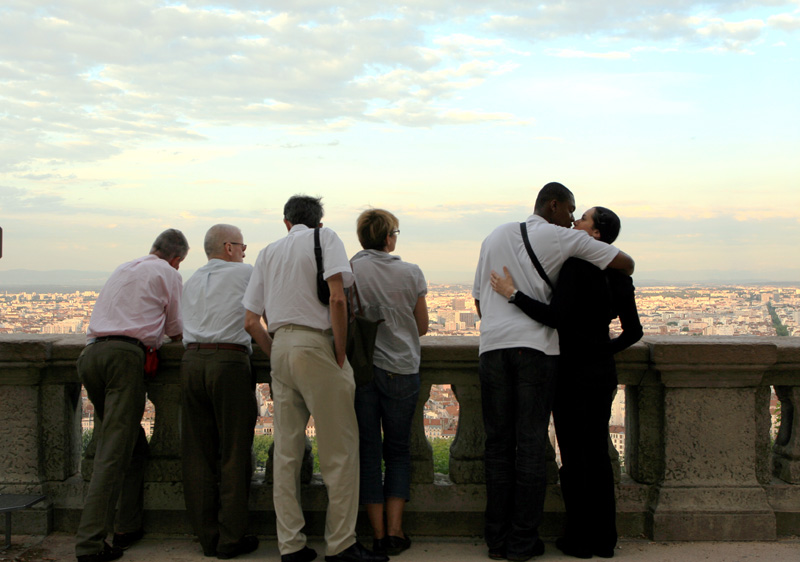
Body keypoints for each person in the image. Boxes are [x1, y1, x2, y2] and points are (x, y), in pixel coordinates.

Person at [472, 182, 634, 562]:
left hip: (492, 347)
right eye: (571, 210)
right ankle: (522, 541)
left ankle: (496, 539)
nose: (574, 219)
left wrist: (499, 326)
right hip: (536, 350)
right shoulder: (562, 239)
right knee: (530, 446)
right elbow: (625, 263)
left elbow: (479, 297)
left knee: (496, 446)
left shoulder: (494, 235)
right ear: (554, 205)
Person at [243, 195, 388, 562]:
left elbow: (249, 321)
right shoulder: (326, 239)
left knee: (287, 453)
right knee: (339, 451)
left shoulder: (267, 253)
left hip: (281, 349)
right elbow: (337, 299)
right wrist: (339, 353)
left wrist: (278, 350)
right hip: (317, 345)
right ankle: (341, 544)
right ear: (319, 222)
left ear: (287, 223)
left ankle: (290, 545)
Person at [76, 229, 188, 562]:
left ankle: (127, 524)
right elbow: (176, 329)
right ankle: (89, 544)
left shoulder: (125, 267)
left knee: (132, 442)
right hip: (124, 360)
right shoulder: (168, 273)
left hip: (90, 356)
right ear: (177, 259)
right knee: (111, 454)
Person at [349, 209, 429, 557]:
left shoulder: (350, 270)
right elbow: (422, 326)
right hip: (402, 368)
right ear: (388, 238)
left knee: (367, 452)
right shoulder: (411, 273)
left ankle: (377, 535)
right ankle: (396, 532)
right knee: (398, 452)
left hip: (363, 371)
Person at [180, 224, 259, 559]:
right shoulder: (246, 274)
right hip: (229, 361)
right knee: (234, 451)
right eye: (242, 245)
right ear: (229, 247)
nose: (244, 251)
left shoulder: (192, 279)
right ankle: (231, 537)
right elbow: (263, 316)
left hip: (191, 361)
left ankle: (206, 537)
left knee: (197, 453)